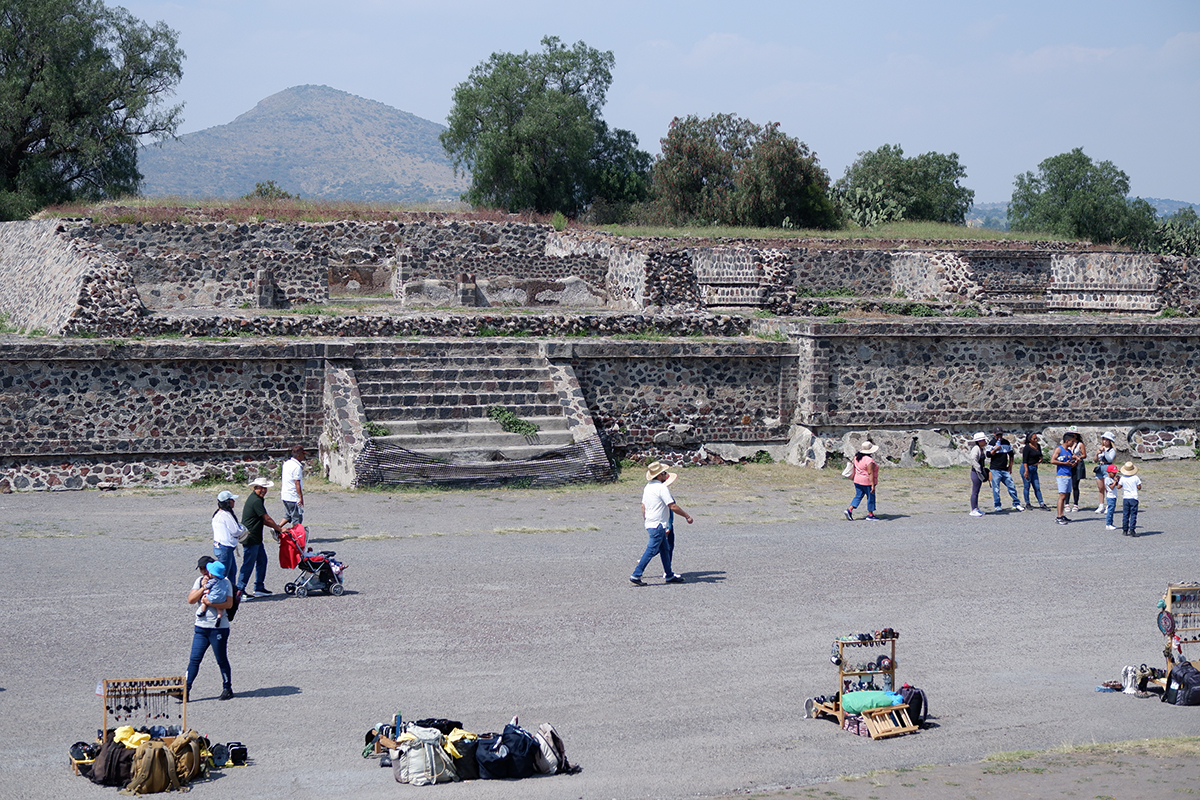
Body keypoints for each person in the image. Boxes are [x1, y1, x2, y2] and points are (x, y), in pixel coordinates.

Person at [630, 462, 692, 586]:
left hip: (652, 523)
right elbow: (672, 506)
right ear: (659, 475)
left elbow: (643, 506)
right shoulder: (661, 488)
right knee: (652, 549)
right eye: (664, 473)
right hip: (658, 524)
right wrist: (687, 516)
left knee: (665, 548)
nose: (665, 475)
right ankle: (636, 574)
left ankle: (669, 574)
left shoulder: (648, 487)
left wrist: (646, 519)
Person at [187, 556, 234, 701]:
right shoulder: (199, 581)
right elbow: (191, 600)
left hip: (218, 628)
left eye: (203, 569)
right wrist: (203, 587)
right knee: (194, 659)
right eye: (200, 569)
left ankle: (227, 688)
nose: (202, 572)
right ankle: (185, 689)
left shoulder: (225, 582)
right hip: (201, 627)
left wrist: (209, 602)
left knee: (221, 659)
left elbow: (228, 604)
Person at [238, 477, 286, 598]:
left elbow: (262, 519)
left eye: (265, 488)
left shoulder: (257, 499)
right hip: (251, 537)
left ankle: (259, 587)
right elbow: (266, 518)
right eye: (261, 488)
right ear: (255, 488)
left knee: (262, 561)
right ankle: (240, 590)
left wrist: (275, 526)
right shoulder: (256, 501)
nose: (263, 490)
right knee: (248, 564)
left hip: (256, 537)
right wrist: (279, 528)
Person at [987, 427, 1024, 512]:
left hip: (1004, 469)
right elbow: (988, 455)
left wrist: (1010, 467)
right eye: (998, 434)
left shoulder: (1006, 443)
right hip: (995, 469)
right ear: (994, 434)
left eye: (1001, 434)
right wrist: (995, 449)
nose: (999, 436)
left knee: (1011, 486)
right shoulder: (992, 443)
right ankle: (997, 505)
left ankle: (1016, 503)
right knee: (996, 489)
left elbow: (1011, 455)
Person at [211, 490, 245, 582]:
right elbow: (236, 531)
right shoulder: (226, 515)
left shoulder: (217, 514)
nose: (234, 502)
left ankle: (230, 593)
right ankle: (223, 594)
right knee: (224, 574)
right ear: (227, 502)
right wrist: (243, 529)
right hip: (225, 548)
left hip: (220, 546)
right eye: (232, 500)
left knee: (231, 571)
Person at [844, 441, 880, 521]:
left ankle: (849, 509)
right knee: (870, 497)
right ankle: (870, 514)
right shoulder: (869, 460)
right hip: (866, 481)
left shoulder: (856, 457)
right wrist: (872, 485)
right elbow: (870, 473)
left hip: (857, 480)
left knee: (858, 496)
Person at [1050, 433, 1078, 525]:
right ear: (1067, 441)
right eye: (1072, 441)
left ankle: (1061, 515)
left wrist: (1074, 463)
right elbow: (1052, 460)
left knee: (1065, 496)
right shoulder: (1059, 449)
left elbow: (1071, 462)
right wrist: (1064, 464)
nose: (1072, 443)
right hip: (1061, 475)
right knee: (1062, 496)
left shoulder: (1069, 451)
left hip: (1068, 475)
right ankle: (1058, 517)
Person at [196, 560, 229, 624]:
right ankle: (219, 617)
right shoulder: (223, 581)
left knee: (203, 601)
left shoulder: (212, 581)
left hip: (212, 597)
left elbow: (207, 587)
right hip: (221, 598)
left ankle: (202, 611)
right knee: (219, 609)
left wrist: (204, 585)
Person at [1020, 432, 1047, 509]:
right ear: (1030, 439)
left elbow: (1040, 455)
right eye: (1034, 438)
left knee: (1037, 486)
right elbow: (1024, 460)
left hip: (1034, 468)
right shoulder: (1027, 448)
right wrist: (1026, 471)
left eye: (1036, 438)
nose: (1036, 440)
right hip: (1027, 467)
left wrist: (1040, 459)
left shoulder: (1038, 446)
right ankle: (1027, 503)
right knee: (1027, 486)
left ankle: (1041, 503)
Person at [281, 446, 306, 526]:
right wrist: (300, 497)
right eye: (303, 454)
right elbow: (297, 483)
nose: (304, 456)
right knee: (297, 518)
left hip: (285, 494)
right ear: (298, 455)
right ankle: (296, 536)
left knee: (288, 514)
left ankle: (277, 528)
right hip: (293, 496)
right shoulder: (296, 467)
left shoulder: (287, 463)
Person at [1093, 432, 1117, 513]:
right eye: (1103, 439)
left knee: (1108, 487)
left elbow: (1110, 459)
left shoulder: (1112, 450)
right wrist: (1097, 454)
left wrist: (1105, 452)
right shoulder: (1100, 448)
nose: (1105, 441)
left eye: (1107, 439)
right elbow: (1095, 460)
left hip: (1107, 467)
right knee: (1100, 488)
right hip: (1099, 467)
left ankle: (1108, 505)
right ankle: (1101, 505)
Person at [1118, 461, 1142, 537]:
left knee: (1125, 514)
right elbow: (1139, 487)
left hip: (1126, 497)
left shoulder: (1122, 478)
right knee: (1133, 514)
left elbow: (1119, 487)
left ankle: (1125, 530)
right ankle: (1132, 530)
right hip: (1134, 497)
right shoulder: (1135, 477)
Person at [968, 432, 988, 516]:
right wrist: (979, 469)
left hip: (978, 472)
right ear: (979, 441)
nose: (985, 441)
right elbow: (973, 459)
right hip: (976, 472)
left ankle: (976, 508)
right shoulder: (976, 449)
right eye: (983, 440)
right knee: (975, 491)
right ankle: (973, 509)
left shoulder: (980, 448)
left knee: (977, 491)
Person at [1068, 430, 1087, 513]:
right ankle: (1066, 503)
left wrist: (1077, 457)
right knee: (1067, 485)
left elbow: (1084, 455)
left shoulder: (1080, 444)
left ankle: (1075, 504)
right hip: (1068, 464)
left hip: (1077, 464)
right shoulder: (1067, 443)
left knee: (1075, 485)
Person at [1103, 464, 1120, 531]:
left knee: (1112, 511)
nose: (1115, 474)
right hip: (1110, 497)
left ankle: (1111, 523)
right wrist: (1115, 481)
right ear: (1109, 472)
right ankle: (1108, 524)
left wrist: (1117, 480)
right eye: (1113, 473)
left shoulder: (1111, 479)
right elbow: (1112, 487)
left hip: (1114, 496)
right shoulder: (1107, 479)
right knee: (1110, 511)